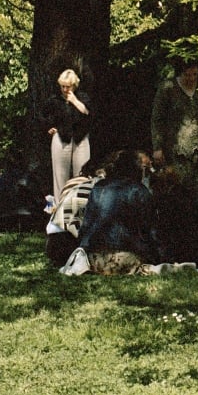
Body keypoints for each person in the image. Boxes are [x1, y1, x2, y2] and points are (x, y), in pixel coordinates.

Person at [77, 149, 167, 275]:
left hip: (93, 260)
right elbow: (151, 230)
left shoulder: (98, 188)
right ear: (135, 169)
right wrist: (161, 256)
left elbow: (86, 226)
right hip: (127, 259)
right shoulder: (139, 190)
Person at [151, 60, 198, 189]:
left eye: (194, 75)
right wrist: (157, 147)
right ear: (181, 73)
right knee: (180, 188)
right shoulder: (168, 88)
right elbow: (158, 119)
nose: (191, 78)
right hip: (176, 150)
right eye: (187, 75)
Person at [41, 68, 92, 202]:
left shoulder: (83, 97)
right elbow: (42, 115)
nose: (64, 89)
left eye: (68, 87)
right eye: (62, 86)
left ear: (74, 86)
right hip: (61, 138)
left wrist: (74, 101)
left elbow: (88, 113)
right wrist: (49, 127)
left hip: (80, 139)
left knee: (81, 177)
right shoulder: (54, 100)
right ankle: (59, 208)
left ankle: (81, 207)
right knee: (60, 178)